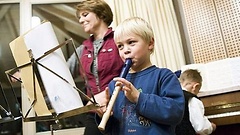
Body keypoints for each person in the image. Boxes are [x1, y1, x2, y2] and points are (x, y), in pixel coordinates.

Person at [96, 17, 185, 135]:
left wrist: (138, 98)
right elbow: (113, 130)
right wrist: (104, 116)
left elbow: (175, 113)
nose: (125, 50)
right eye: (120, 46)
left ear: (150, 43)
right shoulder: (115, 85)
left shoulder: (164, 76)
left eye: (131, 42)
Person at [67, 0, 124, 134]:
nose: (81, 20)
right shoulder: (82, 49)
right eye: (79, 17)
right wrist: (28, 73)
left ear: (101, 14)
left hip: (121, 108)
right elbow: (62, 72)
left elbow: (133, 73)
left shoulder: (119, 39)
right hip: (94, 113)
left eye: (85, 15)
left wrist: (108, 94)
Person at [175, 69, 216, 135]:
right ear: (195, 86)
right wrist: (211, 127)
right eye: (198, 90)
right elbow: (201, 128)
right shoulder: (192, 100)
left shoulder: (171, 96)